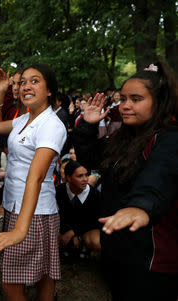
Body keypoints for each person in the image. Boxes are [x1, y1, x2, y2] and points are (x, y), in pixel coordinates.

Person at [73, 61, 178, 301]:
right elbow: (94, 160)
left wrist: (139, 206)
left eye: (136, 99)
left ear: (159, 102)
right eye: (123, 99)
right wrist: (88, 127)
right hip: (120, 255)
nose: (125, 106)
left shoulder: (169, 139)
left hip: (152, 263)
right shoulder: (127, 137)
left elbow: (158, 177)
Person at [0, 64, 67, 301]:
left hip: (34, 212)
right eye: (23, 82)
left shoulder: (51, 125)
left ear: (49, 90)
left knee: (12, 279)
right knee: (42, 273)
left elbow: (37, 175)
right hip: (16, 206)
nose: (26, 86)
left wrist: (21, 228)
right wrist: (0, 92)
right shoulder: (24, 119)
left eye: (35, 81)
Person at [56, 160, 101, 254]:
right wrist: (66, 232)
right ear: (69, 178)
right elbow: (58, 216)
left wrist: (74, 233)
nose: (85, 179)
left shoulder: (95, 194)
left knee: (96, 242)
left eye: (86, 175)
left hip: (87, 229)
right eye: (80, 176)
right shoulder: (59, 191)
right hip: (63, 228)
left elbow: (95, 221)